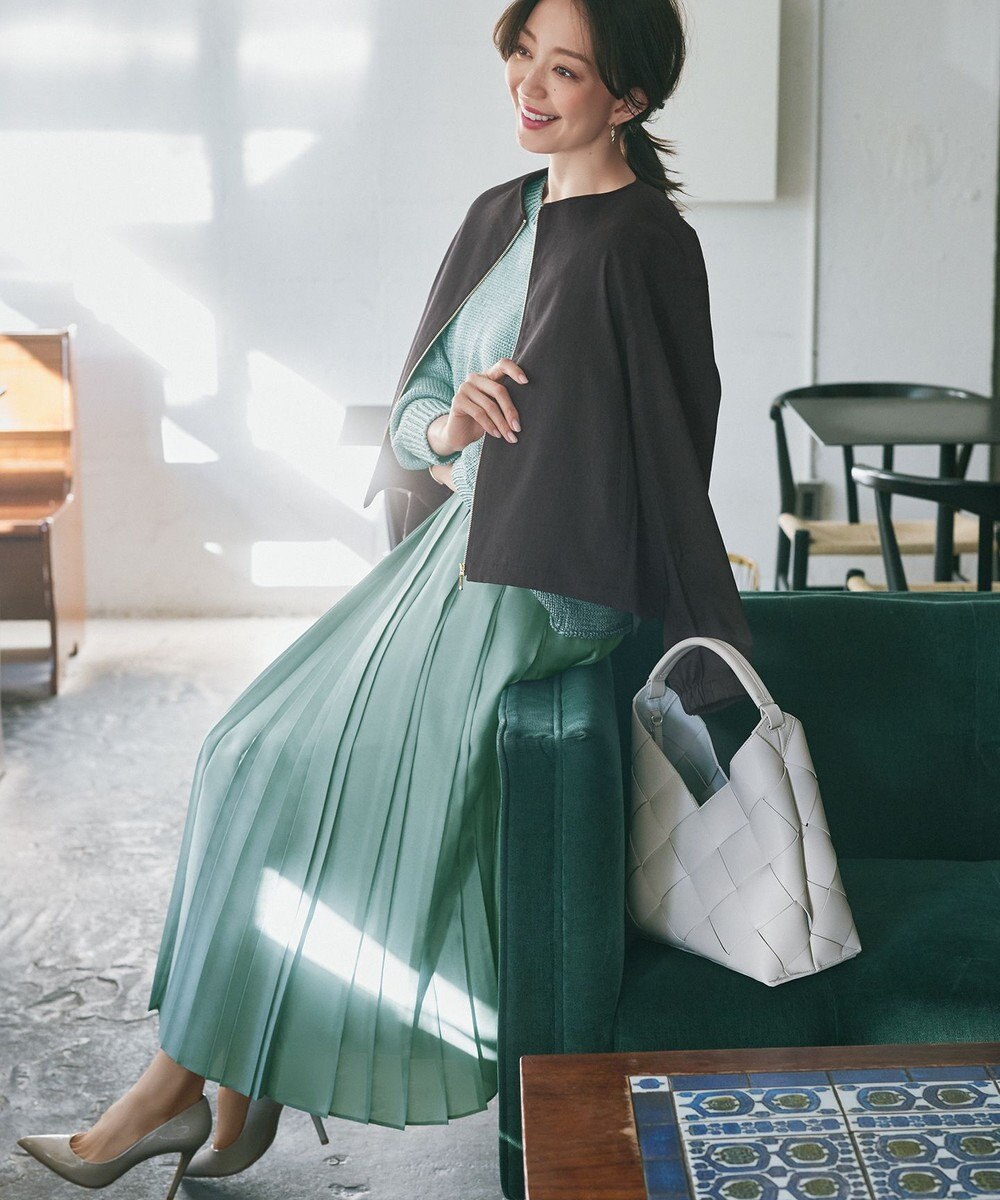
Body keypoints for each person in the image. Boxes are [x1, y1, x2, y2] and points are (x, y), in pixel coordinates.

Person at [15, 0, 732, 1193]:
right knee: (244, 753)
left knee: (282, 767)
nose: (531, 88)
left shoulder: (646, 242)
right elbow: (414, 416)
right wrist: (455, 427)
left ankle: (170, 1095)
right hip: (458, 554)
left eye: (565, 71)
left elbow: (672, 442)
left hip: (550, 587)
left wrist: (583, 490)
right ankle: (230, 1089)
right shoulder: (499, 215)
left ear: (629, 99)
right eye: (523, 56)